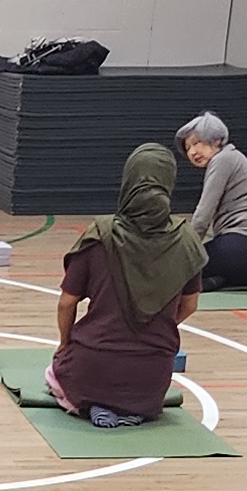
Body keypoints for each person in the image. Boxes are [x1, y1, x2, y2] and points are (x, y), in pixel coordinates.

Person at [48, 143, 205, 428]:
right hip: (152, 377)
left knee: (54, 373)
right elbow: (190, 305)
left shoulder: (100, 234)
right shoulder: (187, 240)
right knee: (140, 389)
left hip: (91, 365)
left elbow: (67, 302)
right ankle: (136, 409)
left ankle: (92, 403)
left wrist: (64, 344)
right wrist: (160, 326)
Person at [180, 114, 247, 291]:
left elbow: (203, 215)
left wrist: (185, 252)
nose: (192, 152)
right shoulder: (232, 158)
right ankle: (214, 281)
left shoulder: (223, 159)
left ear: (215, 140)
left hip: (243, 249)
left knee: (174, 270)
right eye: (188, 148)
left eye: (196, 143)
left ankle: (202, 282)